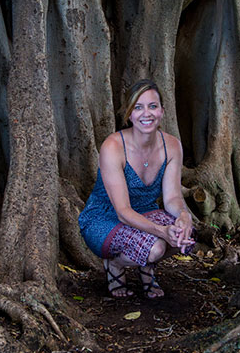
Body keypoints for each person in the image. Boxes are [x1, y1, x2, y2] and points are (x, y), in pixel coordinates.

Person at [78, 79, 195, 298]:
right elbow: (123, 212)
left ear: (162, 111)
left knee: (186, 236)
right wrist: (161, 231)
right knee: (157, 247)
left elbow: (172, 197)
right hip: (104, 219)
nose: (146, 114)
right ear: (129, 114)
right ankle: (115, 265)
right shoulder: (113, 147)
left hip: (145, 213)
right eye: (138, 107)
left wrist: (183, 215)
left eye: (152, 106)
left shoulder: (171, 145)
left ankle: (146, 266)